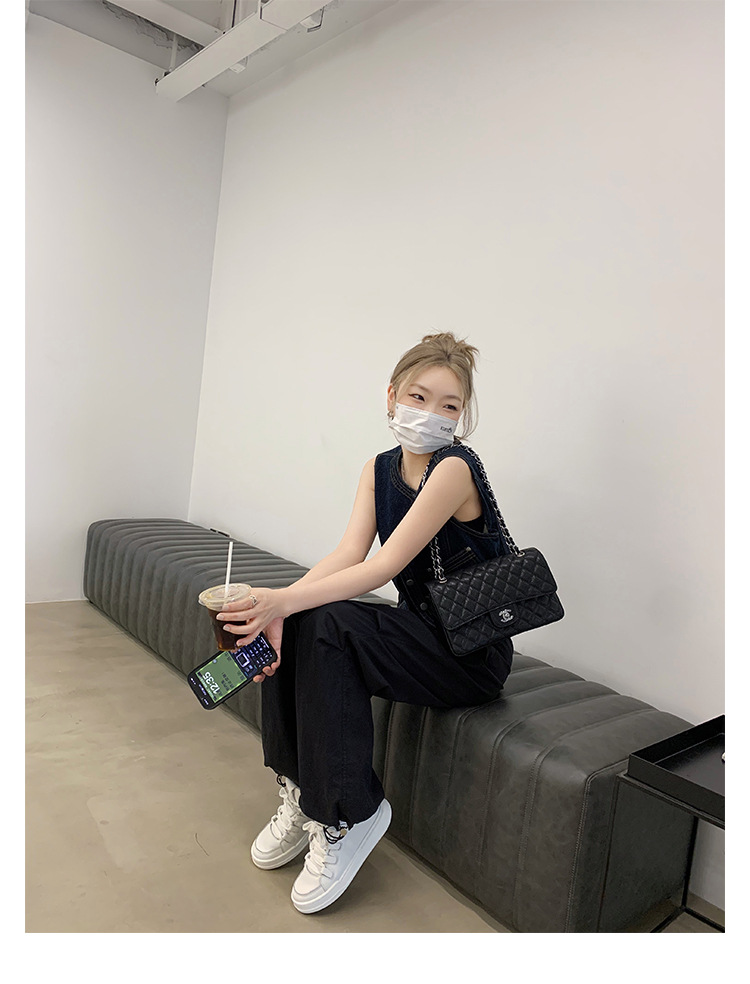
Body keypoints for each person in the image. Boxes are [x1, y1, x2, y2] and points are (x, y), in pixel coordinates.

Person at [218, 331, 513, 914]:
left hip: (467, 652)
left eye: (449, 405)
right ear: (392, 395)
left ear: (461, 416)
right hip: (418, 633)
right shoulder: (377, 470)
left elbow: (383, 566)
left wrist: (282, 603)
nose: (430, 414)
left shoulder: (454, 469)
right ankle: (302, 792)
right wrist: (281, 605)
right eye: (419, 397)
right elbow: (348, 553)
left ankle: (350, 814)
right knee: (303, 619)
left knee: (324, 622)